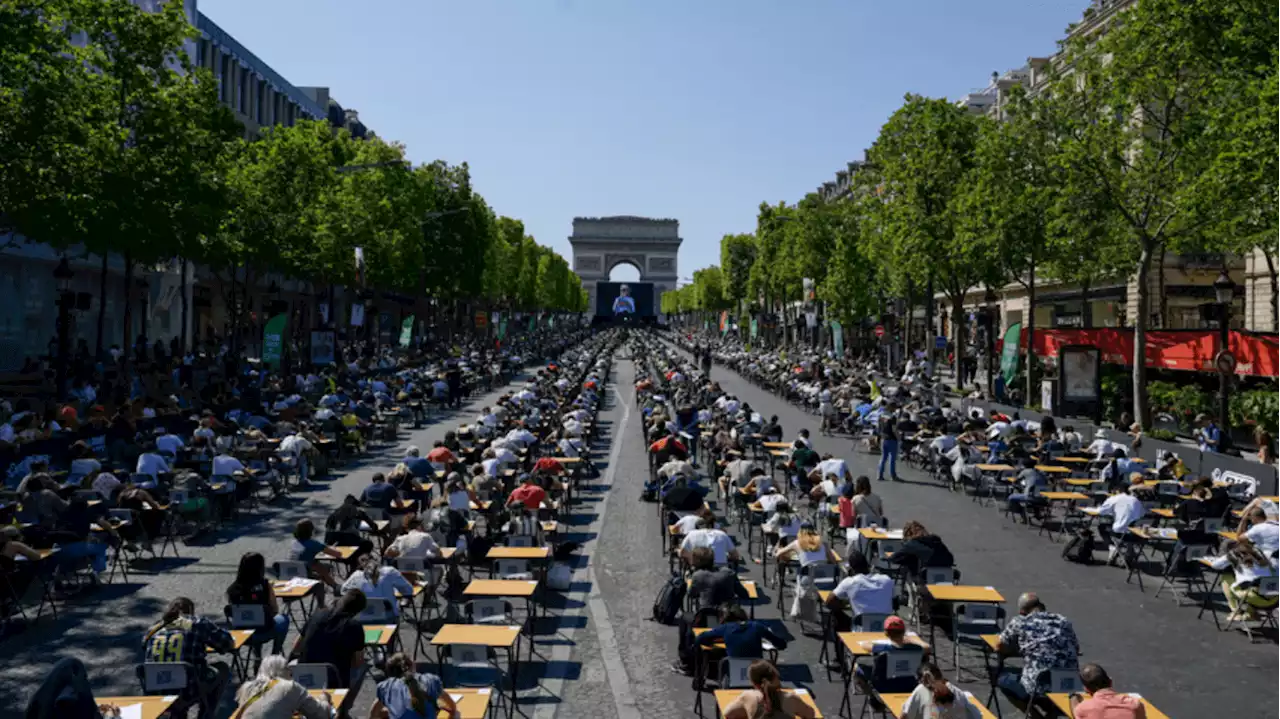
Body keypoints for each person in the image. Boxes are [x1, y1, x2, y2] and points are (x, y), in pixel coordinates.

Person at [141, 597, 235, 718]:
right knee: (222, 669)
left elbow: (144, 645)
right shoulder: (197, 623)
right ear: (190, 611)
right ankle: (205, 714)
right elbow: (226, 643)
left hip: (155, 690)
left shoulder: (153, 629)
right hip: (187, 689)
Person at [995, 593, 1080, 704]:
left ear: (1022, 612)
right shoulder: (1063, 621)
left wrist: (1015, 650)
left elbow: (999, 646)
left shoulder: (1020, 622)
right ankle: (1050, 715)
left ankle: (1036, 716)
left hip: (1038, 688)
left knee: (1004, 680)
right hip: (1069, 686)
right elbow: (1076, 648)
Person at [290, 589, 368, 690]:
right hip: (334, 681)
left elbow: (296, 647)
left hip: (304, 677)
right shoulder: (355, 627)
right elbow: (357, 662)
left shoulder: (317, 615)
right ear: (358, 611)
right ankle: (345, 702)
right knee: (363, 667)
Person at [233, 654, 336, 719]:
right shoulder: (289, 686)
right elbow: (321, 714)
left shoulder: (246, 688)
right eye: (287, 668)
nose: (291, 672)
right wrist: (324, 699)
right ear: (281, 670)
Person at [226, 552, 290, 655]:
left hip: (242, 634)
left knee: (255, 620)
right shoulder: (265, 585)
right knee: (283, 619)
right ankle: (274, 654)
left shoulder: (232, 589)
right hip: (264, 632)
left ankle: (257, 657)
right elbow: (274, 610)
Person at [1207, 538, 1280, 622]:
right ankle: (1250, 613)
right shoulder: (1262, 554)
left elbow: (1215, 565)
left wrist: (1226, 557)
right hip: (1274, 601)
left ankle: (1236, 611)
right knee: (1255, 587)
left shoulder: (1233, 554)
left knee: (1227, 578)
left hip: (1255, 599)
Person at [371, 653, 459, 719]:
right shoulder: (431, 681)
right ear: (413, 665)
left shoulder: (385, 688)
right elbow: (451, 706)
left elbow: (374, 712)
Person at [722, 660, 816, 719]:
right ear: (776, 677)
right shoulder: (791, 698)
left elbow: (728, 713)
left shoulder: (748, 696)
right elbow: (811, 714)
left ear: (754, 683)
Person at [826, 552, 894, 632]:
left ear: (851, 569)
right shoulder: (886, 579)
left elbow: (829, 601)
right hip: (886, 627)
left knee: (836, 614)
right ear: (868, 566)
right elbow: (894, 602)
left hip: (862, 629)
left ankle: (843, 639)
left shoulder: (850, 582)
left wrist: (843, 604)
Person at [696, 604, 789, 657]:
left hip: (733, 669)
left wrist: (714, 641)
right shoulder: (757, 626)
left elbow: (700, 638)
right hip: (755, 668)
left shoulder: (726, 628)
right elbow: (781, 644)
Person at [898, 661, 983, 719]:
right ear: (941, 675)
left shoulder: (920, 690)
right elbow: (977, 716)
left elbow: (904, 716)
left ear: (920, 681)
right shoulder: (957, 692)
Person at [341, 553, 414, 618]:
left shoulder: (356, 575)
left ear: (360, 565)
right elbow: (408, 590)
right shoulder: (390, 571)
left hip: (364, 618)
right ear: (376, 560)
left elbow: (343, 591)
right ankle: (395, 633)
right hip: (388, 617)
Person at [288, 519, 344, 598]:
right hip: (304, 574)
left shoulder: (294, 542)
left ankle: (334, 586)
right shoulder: (313, 543)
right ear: (310, 531)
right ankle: (330, 595)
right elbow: (337, 554)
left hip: (290, 573)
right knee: (323, 570)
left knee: (317, 564)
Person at [1068, 663, 1147, 719]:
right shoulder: (1134, 704)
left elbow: (1076, 713)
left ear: (1087, 689)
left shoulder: (1083, 709)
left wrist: (1073, 697)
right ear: (1110, 681)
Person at [1095, 480, 1146, 565]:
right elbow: (1142, 514)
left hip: (1120, 533)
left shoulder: (1114, 498)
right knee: (1128, 524)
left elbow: (1101, 512)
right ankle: (1129, 548)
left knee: (1102, 527)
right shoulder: (1136, 500)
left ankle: (1112, 546)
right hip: (1137, 535)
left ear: (1118, 490)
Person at [890, 521, 956, 582]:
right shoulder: (936, 541)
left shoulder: (912, 543)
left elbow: (894, 558)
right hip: (948, 574)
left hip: (926, 575)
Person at [1006, 457, 1048, 522]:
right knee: (1035, 494)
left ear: (1024, 465)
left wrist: (1016, 471)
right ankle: (1037, 514)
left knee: (1011, 497)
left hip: (1031, 497)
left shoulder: (1025, 471)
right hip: (1043, 498)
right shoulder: (1040, 472)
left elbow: (1015, 480)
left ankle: (1024, 517)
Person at [878, 406, 902, 481]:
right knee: (892, 458)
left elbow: (879, 427)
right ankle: (893, 475)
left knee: (883, 458)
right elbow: (894, 430)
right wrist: (899, 438)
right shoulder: (892, 417)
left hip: (883, 438)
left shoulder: (881, 416)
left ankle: (880, 475)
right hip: (892, 439)